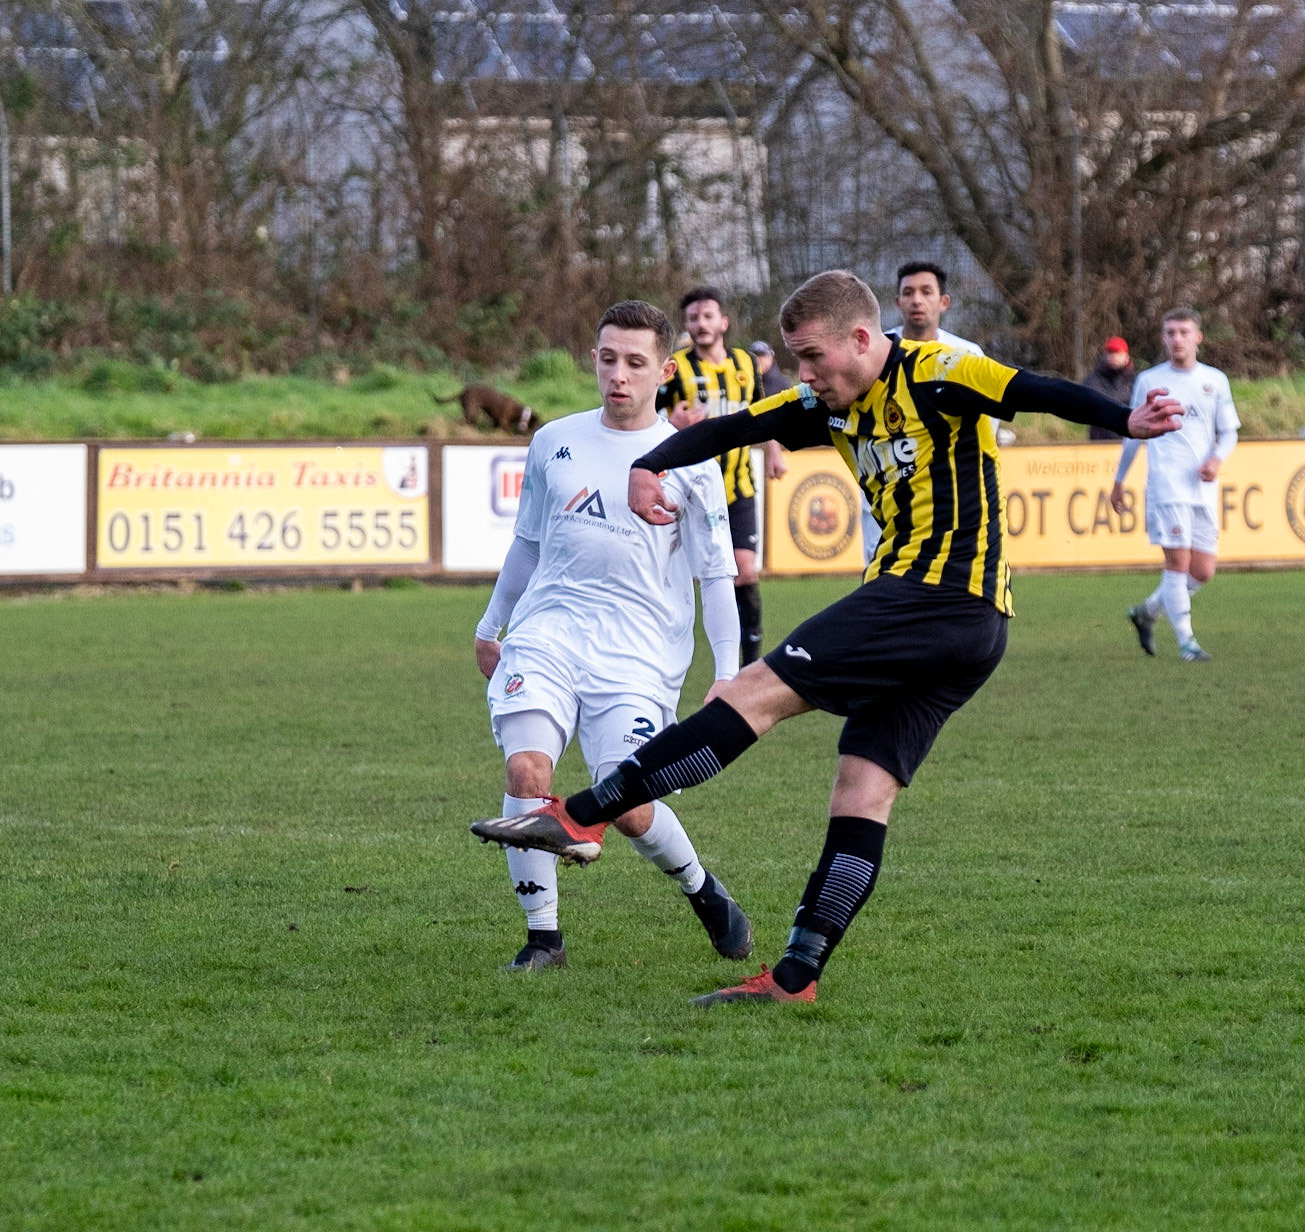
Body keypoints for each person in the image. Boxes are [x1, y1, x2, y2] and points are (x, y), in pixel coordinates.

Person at [473, 270, 1181, 1005]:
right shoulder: (826, 403)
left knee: (753, 691)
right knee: (860, 792)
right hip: (968, 629)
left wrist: (1122, 417)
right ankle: (793, 978)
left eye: (812, 357)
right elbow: (737, 426)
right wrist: (650, 464)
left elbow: (1029, 388)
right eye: (795, 359)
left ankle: (577, 815)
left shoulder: (940, 372)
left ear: (862, 339)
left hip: (933, 594)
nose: (804, 375)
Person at [474, 300, 751, 972]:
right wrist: (491, 623)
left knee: (626, 804)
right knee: (525, 769)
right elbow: (528, 543)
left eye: (634, 362)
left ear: (663, 369)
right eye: (606, 359)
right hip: (549, 633)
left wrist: (728, 670)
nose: (617, 375)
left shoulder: (690, 464)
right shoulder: (554, 442)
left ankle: (701, 890)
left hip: (638, 656)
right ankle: (544, 939)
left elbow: (716, 577)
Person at [657, 286, 785, 666]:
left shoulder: (747, 363)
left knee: (744, 571)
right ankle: (667, 656)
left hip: (739, 485)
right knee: (682, 578)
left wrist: (774, 451)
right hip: (688, 490)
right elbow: (647, 418)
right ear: (687, 325)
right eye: (694, 318)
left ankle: (749, 666)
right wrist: (670, 422)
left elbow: (765, 410)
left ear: (723, 322)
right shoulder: (675, 366)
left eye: (708, 316)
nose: (701, 324)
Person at [1111, 308, 1238, 663]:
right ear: (1163, 338)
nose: (1176, 339)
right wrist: (1119, 480)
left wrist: (1216, 459)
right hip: (1167, 487)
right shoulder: (1150, 381)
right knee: (1178, 563)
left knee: (1203, 571)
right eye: (1170, 332)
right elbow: (1133, 434)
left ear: (1198, 336)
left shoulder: (1215, 380)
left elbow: (1229, 432)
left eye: (1183, 331)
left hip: (1202, 489)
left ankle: (1147, 612)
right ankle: (1188, 644)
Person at [862, 260, 989, 563]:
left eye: (926, 291)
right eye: (908, 292)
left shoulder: (967, 356)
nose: (916, 299)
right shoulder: (874, 355)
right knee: (882, 584)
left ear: (943, 301)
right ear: (897, 302)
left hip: (949, 497)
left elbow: (986, 429)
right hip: (886, 491)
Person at [1081, 337, 1135, 441]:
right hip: (1100, 441)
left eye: (1117, 353)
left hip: (1128, 440)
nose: (1113, 356)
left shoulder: (1136, 380)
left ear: (1126, 356)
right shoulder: (1093, 379)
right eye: (1110, 353)